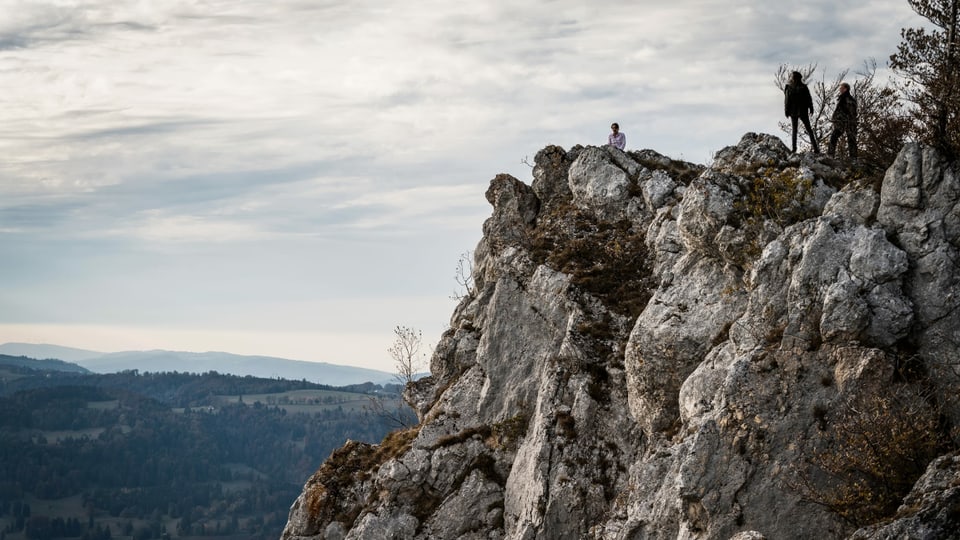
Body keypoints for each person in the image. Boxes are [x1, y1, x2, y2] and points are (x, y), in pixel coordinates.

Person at [784, 71, 819, 154]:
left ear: (793, 78)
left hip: (793, 111)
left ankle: (794, 149)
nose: (791, 78)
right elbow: (809, 99)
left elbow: (787, 101)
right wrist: (811, 108)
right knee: (809, 130)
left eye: (791, 77)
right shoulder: (804, 87)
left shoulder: (789, 87)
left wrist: (786, 111)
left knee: (794, 130)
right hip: (803, 111)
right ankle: (816, 149)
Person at [827, 82, 858, 159]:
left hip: (847, 122)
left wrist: (847, 119)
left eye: (841, 88)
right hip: (843, 122)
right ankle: (831, 155)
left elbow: (852, 112)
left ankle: (852, 158)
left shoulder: (848, 98)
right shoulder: (843, 98)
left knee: (850, 139)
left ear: (845, 89)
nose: (839, 89)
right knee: (838, 137)